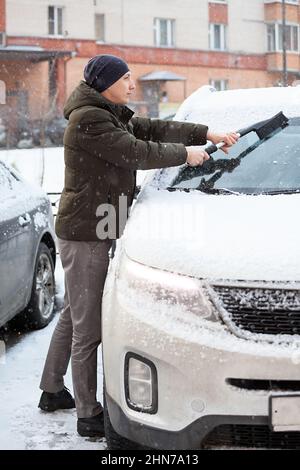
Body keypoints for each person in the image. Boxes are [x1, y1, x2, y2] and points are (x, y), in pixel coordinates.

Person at [38, 54, 238, 437]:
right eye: (126, 78)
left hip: (96, 224)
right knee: (89, 327)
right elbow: (136, 151)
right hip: (85, 232)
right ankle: (87, 412)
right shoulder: (90, 119)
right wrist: (186, 154)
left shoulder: (106, 110)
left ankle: (51, 389)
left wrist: (206, 133)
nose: (132, 85)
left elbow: (152, 128)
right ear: (106, 82)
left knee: (75, 315)